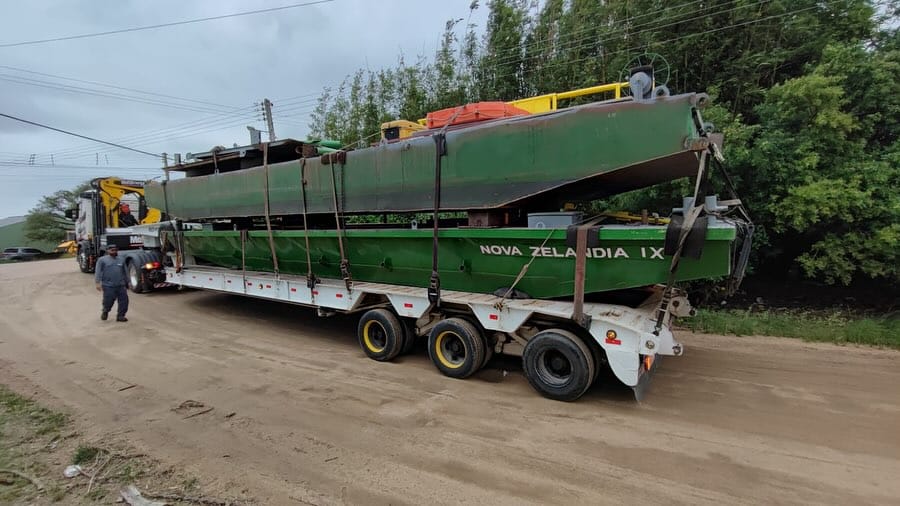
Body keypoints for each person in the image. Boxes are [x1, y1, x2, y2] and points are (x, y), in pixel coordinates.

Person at [94, 244, 129, 322]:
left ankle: (120, 316)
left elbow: (125, 272)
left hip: (121, 285)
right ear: (108, 251)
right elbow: (98, 272)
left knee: (124, 301)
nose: (114, 251)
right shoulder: (102, 260)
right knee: (108, 301)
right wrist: (97, 283)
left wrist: (128, 282)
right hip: (108, 286)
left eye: (115, 250)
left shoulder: (121, 259)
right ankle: (105, 311)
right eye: (112, 250)